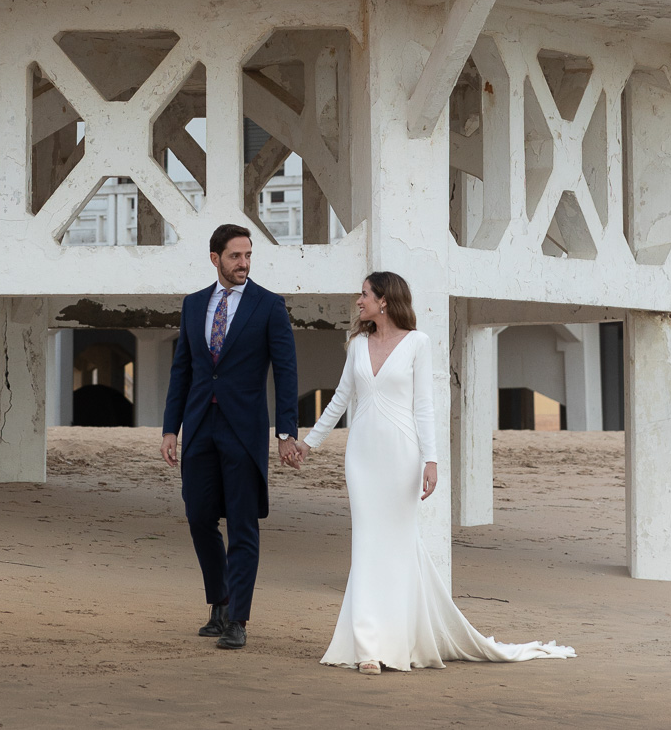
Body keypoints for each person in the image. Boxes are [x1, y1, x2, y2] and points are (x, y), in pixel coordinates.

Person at [299, 270, 575, 672]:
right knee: (366, 544)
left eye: (364, 295)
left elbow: (424, 407)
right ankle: (367, 645)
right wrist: (310, 443)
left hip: (402, 456)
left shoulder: (417, 343)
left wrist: (431, 460)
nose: (358, 302)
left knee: (396, 546)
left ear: (385, 301)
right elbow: (341, 398)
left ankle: (391, 643)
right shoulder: (357, 344)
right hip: (361, 457)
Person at [160, 223, 302, 650]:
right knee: (199, 515)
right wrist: (171, 427)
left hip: (245, 429)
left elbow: (287, 372)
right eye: (236, 256)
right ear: (215, 259)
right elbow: (182, 369)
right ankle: (219, 600)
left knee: (242, 525)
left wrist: (286, 431)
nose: (244, 263)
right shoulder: (192, 305)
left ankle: (237, 618)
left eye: (248, 255)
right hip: (200, 424)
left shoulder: (269, 306)